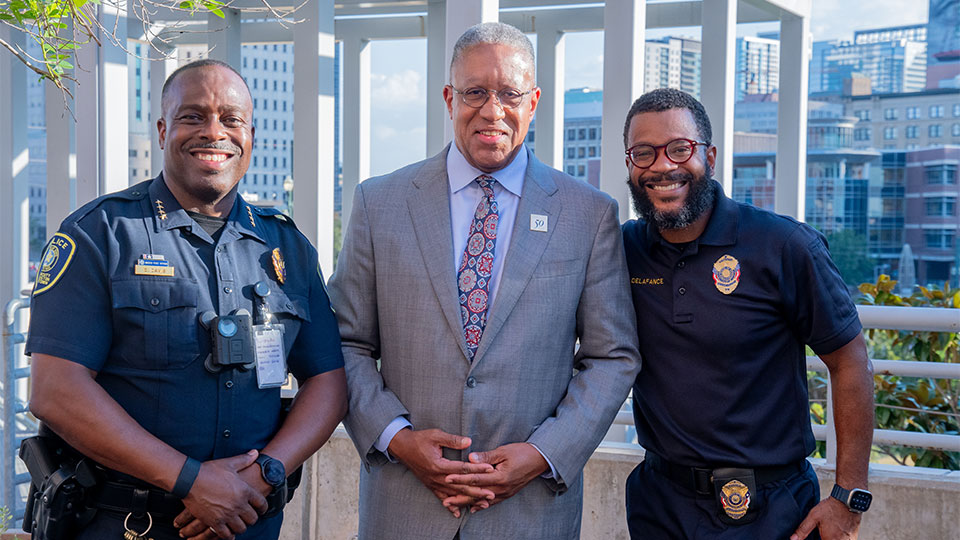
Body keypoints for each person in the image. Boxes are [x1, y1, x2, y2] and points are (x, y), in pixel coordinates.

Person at [327, 22, 641, 540]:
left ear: (534, 101)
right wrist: (399, 439)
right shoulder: (379, 203)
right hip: (404, 507)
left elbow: (612, 356)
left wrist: (543, 454)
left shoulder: (588, 215)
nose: (492, 110)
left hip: (531, 511)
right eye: (475, 92)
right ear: (450, 98)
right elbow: (346, 342)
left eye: (509, 94)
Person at [26, 59, 347, 540]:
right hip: (126, 524)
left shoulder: (287, 247)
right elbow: (56, 390)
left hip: (249, 522)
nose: (214, 132)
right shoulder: (101, 234)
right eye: (193, 116)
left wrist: (266, 474)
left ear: (251, 135)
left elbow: (328, 380)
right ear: (162, 129)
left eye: (231, 119)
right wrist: (190, 480)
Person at [620, 88, 875, 540]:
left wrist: (848, 495)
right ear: (630, 165)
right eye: (644, 153)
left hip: (771, 511)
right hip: (660, 502)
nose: (663, 166)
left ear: (710, 156)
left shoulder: (784, 246)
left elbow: (849, 359)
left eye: (681, 149)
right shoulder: (622, 250)